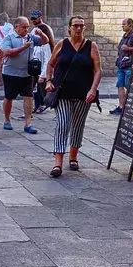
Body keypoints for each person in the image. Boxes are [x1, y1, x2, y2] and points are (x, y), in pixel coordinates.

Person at [45, 17, 101, 178]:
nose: (78, 29)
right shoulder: (62, 44)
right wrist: (48, 81)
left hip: (84, 94)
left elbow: (98, 70)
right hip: (63, 92)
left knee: (77, 124)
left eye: (81, 26)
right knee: (63, 123)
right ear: (69, 28)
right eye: (75, 26)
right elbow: (50, 64)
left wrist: (93, 90)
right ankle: (57, 163)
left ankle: (73, 156)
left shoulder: (92, 46)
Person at [0, 14, 36, 133]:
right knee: (9, 97)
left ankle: (28, 123)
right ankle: (7, 120)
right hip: (10, 73)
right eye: (24, 27)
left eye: (28, 27)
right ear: (16, 27)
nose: (26, 29)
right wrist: (24, 47)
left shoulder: (30, 37)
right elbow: (7, 52)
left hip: (27, 73)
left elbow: (45, 41)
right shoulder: (9, 38)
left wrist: (42, 33)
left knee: (28, 97)